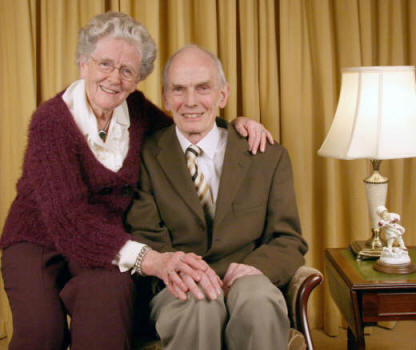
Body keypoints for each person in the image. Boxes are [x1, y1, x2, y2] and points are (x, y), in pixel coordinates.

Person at [0, 12, 271, 350]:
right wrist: (151, 260)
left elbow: (186, 128)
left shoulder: (137, 111)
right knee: (42, 333)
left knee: (109, 302)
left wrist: (235, 126)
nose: (114, 78)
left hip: (107, 243)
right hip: (39, 239)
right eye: (105, 64)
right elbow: (70, 221)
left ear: (138, 78)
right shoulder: (51, 122)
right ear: (84, 64)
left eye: (127, 70)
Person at [126, 45, 308, 350]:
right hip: (180, 284)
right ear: (166, 97)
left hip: (248, 276)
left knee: (258, 300)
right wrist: (188, 272)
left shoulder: (267, 156)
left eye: (203, 88)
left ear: (222, 95)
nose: (191, 101)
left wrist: (255, 269)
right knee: (199, 303)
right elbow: (146, 236)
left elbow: (288, 240)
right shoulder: (144, 156)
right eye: (179, 90)